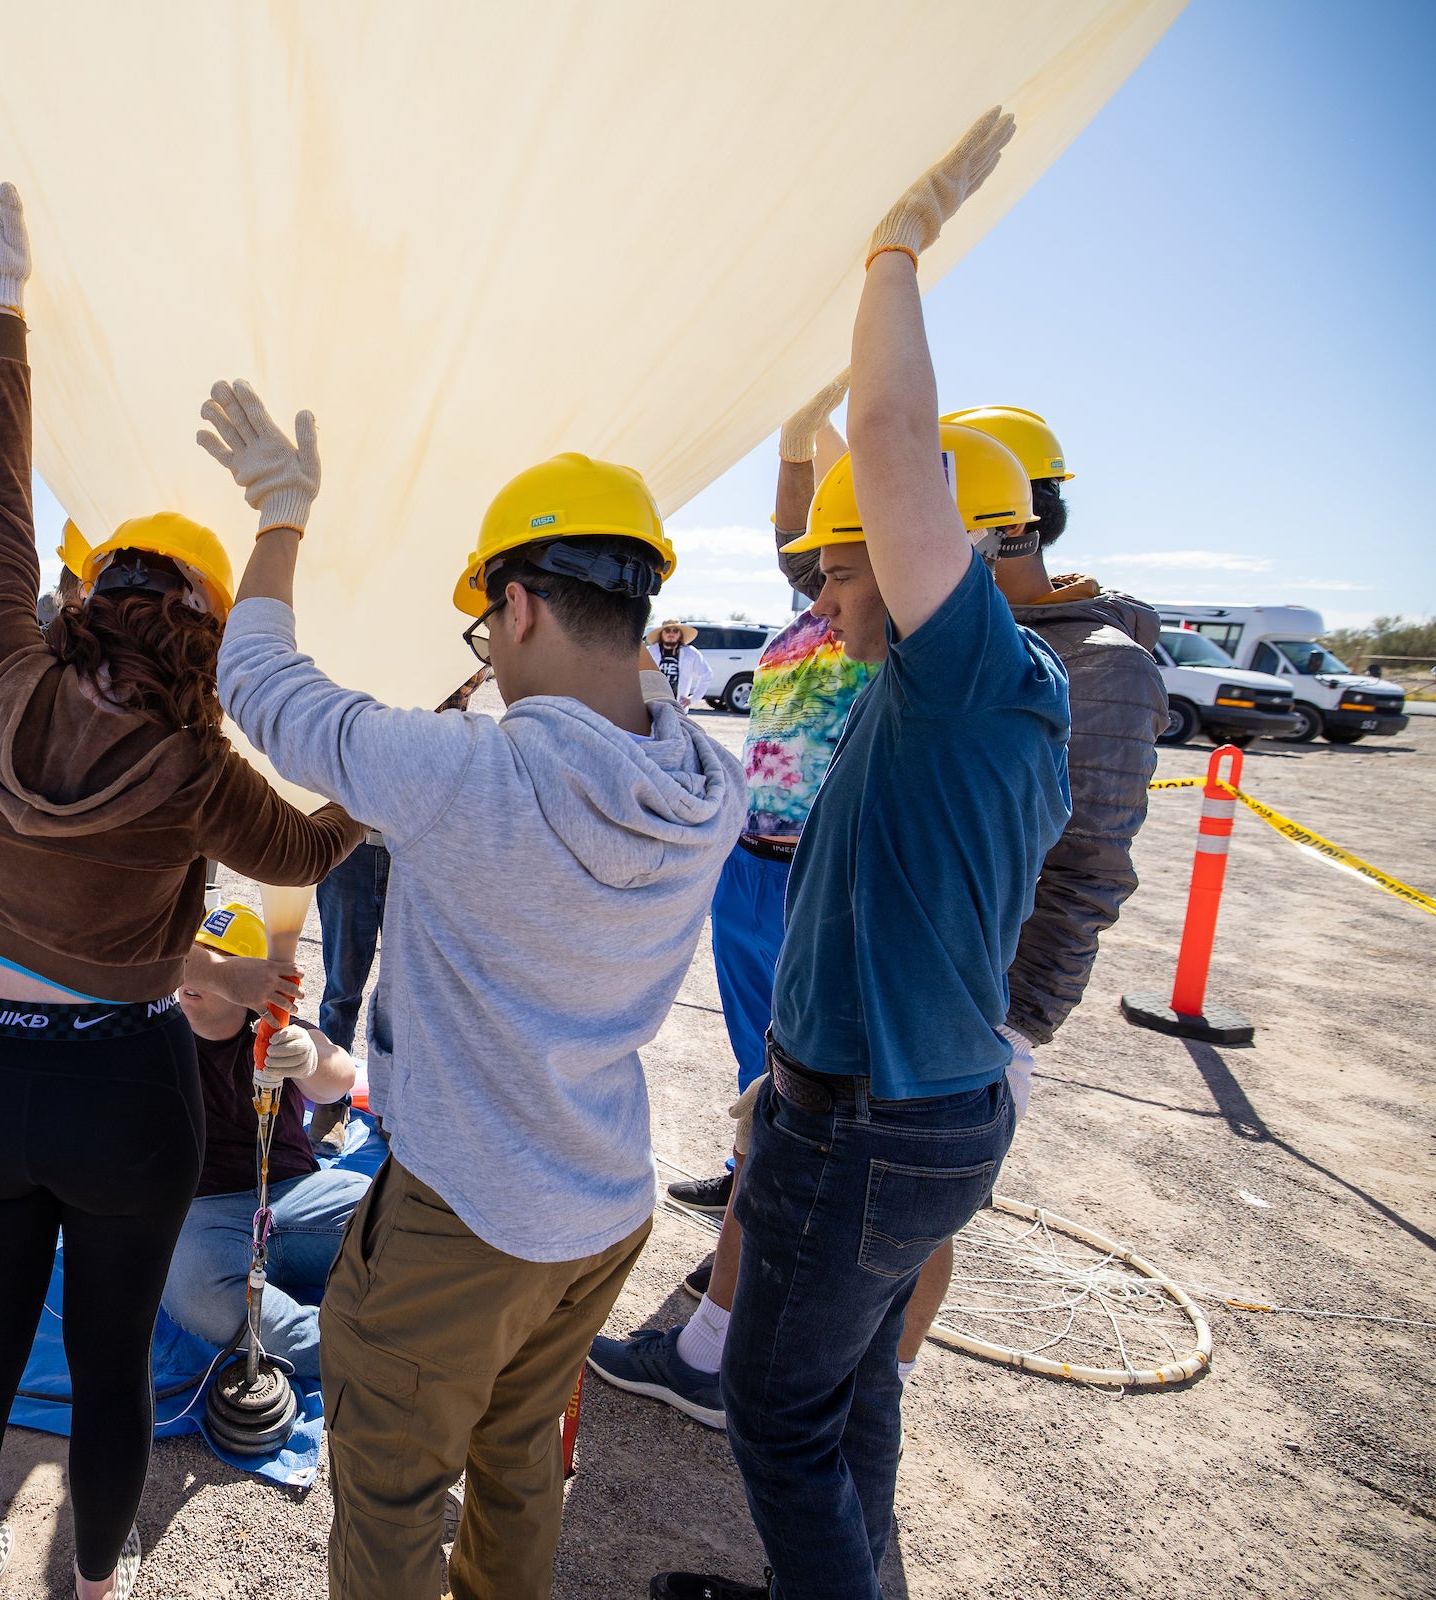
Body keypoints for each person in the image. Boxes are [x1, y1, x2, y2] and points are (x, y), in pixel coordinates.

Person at [201, 379, 744, 1598]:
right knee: (516, 1464)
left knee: (392, 1494)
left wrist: (282, 514)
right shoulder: (710, 783)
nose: (488, 659)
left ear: (520, 603)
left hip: (468, 1214)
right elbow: (621, 713)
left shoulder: (466, 776)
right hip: (603, 1200)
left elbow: (261, 686)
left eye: (489, 631)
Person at [0, 132, 362, 1600]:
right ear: (213, 642)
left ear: (87, 595)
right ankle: (94, 1591)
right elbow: (309, 843)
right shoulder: (196, 776)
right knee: (108, 1371)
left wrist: (3, 287)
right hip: (124, 1092)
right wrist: (405, 758)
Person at [656, 110, 1072, 1600]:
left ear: (941, 552)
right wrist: (788, 1070)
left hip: (878, 1128)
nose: (826, 595)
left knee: (772, 1418)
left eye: (845, 567)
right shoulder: (937, 699)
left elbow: (894, 445)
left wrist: (895, 245)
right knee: (857, 1394)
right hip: (890, 1103)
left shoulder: (974, 676)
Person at [588, 374, 873, 1431]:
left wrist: (834, 432)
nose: (818, 569)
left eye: (842, 555)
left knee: (800, 1080)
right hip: (754, 860)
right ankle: (746, 1177)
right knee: (763, 1063)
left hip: (812, 871)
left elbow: (854, 505)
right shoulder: (825, 600)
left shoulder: (894, 618)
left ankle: (725, 1332)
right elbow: (803, 517)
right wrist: (798, 434)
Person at [889, 407, 1168, 1375]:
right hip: (898, 994)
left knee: (911, 1222)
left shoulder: (1101, 667)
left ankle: (878, 1390)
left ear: (999, 526)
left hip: (975, 1014)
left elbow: (1087, 869)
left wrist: (1012, 1028)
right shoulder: (957, 638)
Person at [159, 903, 367, 1379]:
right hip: (204, 1217)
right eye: (198, 955)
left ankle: (404, 1333)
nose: (203, 969)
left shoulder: (274, 1026)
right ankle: (354, 1352)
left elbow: (339, 1080)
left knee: (402, 1219)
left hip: (298, 1197)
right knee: (192, 1287)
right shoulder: (156, 1032)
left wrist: (309, 1057)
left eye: (223, 960)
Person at [311, 666, 486, 1062]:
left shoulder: (446, 659)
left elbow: (466, 681)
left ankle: (396, 1106)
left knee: (408, 991)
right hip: (351, 843)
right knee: (342, 985)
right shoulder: (364, 651)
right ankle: (332, 1098)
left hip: (414, 845)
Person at [650, 620, 713, 709]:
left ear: (680, 634)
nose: (671, 634)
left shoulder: (690, 653)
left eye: (675, 631)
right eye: (667, 630)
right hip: (653, 705)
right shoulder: (651, 652)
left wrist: (693, 699)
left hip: (678, 707)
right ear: (661, 634)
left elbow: (707, 675)